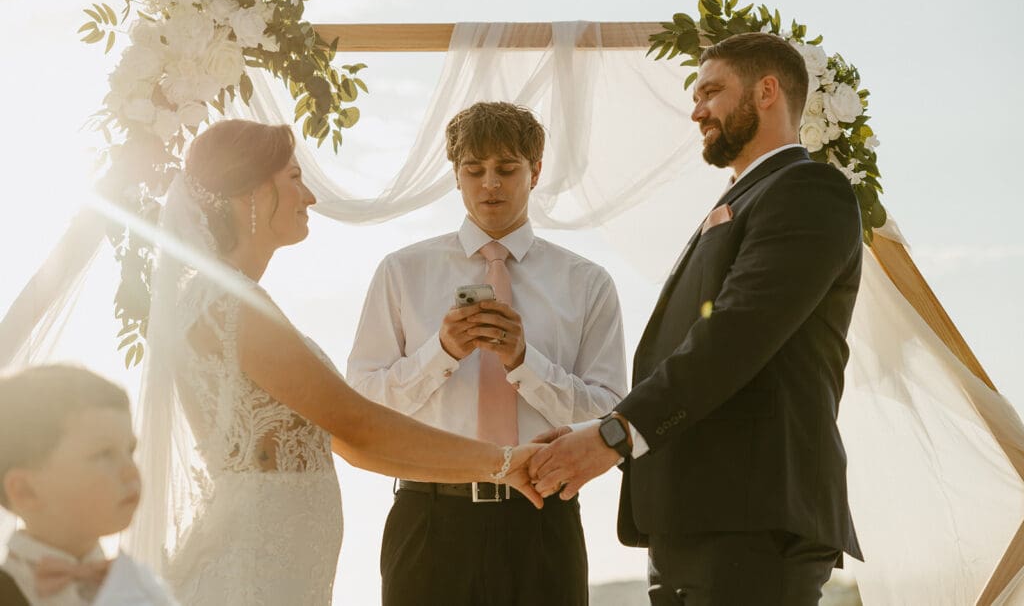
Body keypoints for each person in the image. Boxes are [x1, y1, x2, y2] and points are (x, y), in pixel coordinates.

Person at [126, 119, 542, 606]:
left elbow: (348, 443)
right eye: (295, 179)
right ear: (251, 194)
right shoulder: (228, 304)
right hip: (250, 571)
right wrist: (502, 461)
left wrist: (498, 468)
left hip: (285, 568)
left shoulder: (229, 297)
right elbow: (358, 422)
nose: (310, 198)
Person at [529, 32, 864, 605]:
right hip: (700, 519)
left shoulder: (808, 191)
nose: (696, 109)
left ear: (766, 91)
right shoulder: (747, 197)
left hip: (752, 525)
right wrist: (605, 429)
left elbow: (733, 338)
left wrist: (613, 435)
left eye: (711, 91)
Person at [347, 101, 627, 606]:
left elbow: (607, 414)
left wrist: (525, 362)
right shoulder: (401, 272)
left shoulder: (587, 283)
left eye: (506, 169)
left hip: (545, 519)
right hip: (428, 519)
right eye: (474, 170)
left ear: (536, 171)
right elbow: (364, 402)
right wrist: (443, 352)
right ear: (456, 176)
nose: (489, 184)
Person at [0, 364, 176, 605]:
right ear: (25, 491)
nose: (130, 471)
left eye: (130, 450)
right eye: (104, 454)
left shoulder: (142, 588)